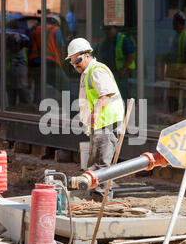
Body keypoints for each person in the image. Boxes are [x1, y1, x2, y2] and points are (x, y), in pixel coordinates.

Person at [66, 38, 124, 200]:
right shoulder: (86, 73)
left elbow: (106, 94)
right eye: (72, 62)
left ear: (87, 55)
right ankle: (96, 196)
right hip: (100, 124)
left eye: (77, 60)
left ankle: (101, 199)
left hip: (107, 123)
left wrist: (96, 113)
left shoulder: (97, 70)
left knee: (101, 164)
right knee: (95, 162)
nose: (75, 64)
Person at [28, 16, 70, 102]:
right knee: (66, 84)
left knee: (39, 87)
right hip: (51, 62)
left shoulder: (36, 30)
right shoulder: (56, 30)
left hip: (36, 62)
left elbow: (30, 47)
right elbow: (61, 49)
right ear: (56, 23)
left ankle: (37, 107)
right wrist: (62, 65)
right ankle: (70, 107)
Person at [96, 25, 136, 101]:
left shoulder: (122, 39)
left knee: (122, 94)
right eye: (105, 30)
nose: (107, 32)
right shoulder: (104, 41)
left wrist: (123, 70)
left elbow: (131, 55)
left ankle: (124, 111)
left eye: (109, 29)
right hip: (107, 73)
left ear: (115, 29)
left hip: (120, 72)